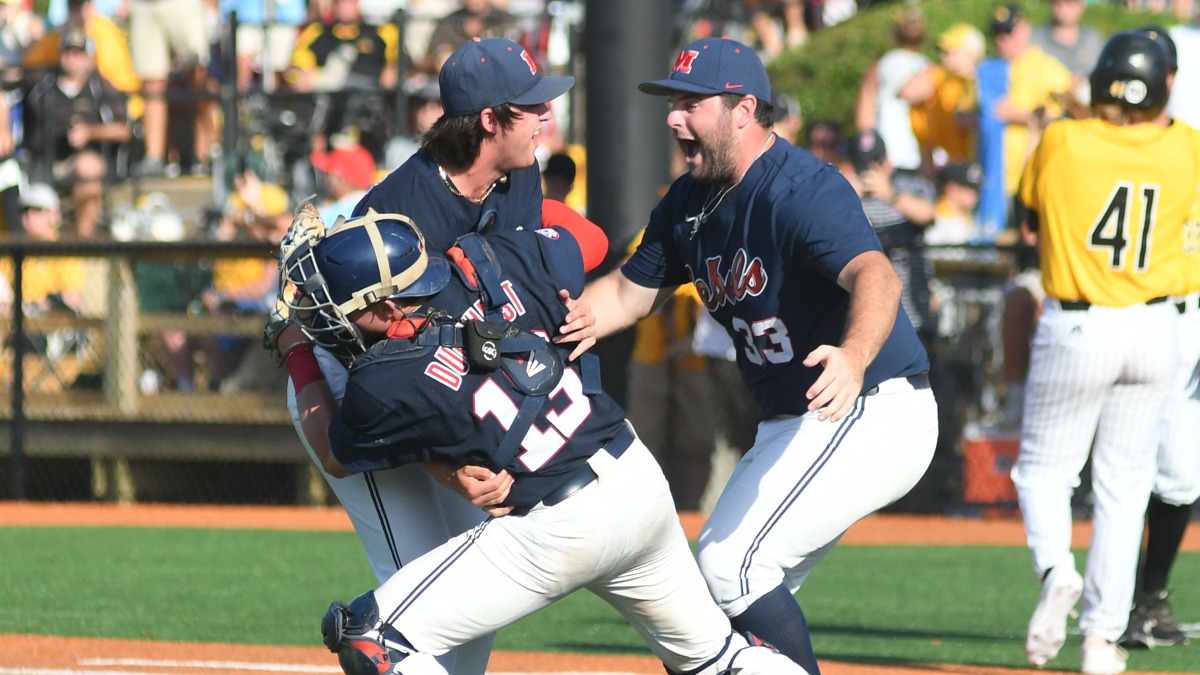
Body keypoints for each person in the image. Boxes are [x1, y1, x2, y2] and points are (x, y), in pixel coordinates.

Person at [275, 210, 807, 675]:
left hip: (561, 525)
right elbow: (586, 236)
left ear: (390, 309)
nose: (328, 316)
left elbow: (333, 453)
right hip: (635, 476)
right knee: (716, 659)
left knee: (370, 638)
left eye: (339, 304)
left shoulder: (381, 381)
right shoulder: (495, 258)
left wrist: (294, 344)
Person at [558, 36, 938, 675]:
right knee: (718, 592)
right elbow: (628, 292)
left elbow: (876, 275)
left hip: (872, 406)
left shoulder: (800, 188)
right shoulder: (689, 200)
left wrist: (852, 353)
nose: (674, 117)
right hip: (796, 419)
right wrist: (552, 328)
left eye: (691, 102)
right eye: (671, 102)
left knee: (731, 566)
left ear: (743, 110)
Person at [261, 36, 588, 675]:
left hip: (438, 380)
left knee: (475, 588)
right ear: (490, 122)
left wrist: (578, 307)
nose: (546, 117)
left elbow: (515, 288)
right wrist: (451, 469)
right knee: (413, 593)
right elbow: (381, 392)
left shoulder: (520, 172)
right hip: (351, 389)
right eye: (530, 108)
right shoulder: (398, 212)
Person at [1009, 31, 1197, 675]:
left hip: (1079, 324)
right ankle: (1100, 641)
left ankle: (1057, 570)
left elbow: (1028, 214)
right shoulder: (1185, 147)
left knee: (1042, 472)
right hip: (1155, 329)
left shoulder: (1064, 139)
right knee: (1125, 490)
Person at [1119, 25, 1196, 651]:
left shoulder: (1188, 148)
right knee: (1129, 468)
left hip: (1182, 314)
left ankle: (1147, 599)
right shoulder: (1096, 145)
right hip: (1148, 315)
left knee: (1180, 473)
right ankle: (1113, 603)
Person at [21, 24, 132, 238]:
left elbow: (124, 129)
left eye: (79, 52)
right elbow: (6, 86)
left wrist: (90, 132)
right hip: (41, 165)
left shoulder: (101, 87)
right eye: (68, 50)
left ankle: (81, 247)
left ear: (90, 57)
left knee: (88, 169)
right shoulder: (41, 82)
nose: (72, 57)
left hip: (88, 164)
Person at [976, 3, 1072, 239]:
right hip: (991, 178)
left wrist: (1016, 114)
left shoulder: (1047, 68)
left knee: (1024, 247)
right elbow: (962, 114)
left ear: (1025, 29)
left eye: (1009, 32)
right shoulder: (988, 69)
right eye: (997, 34)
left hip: (1027, 177)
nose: (1002, 40)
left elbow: (1063, 119)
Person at [842, 129, 937, 344]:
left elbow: (928, 214)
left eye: (873, 165)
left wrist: (891, 195)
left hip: (911, 314)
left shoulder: (910, 186)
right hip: (862, 317)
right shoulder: (842, 191)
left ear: (886, 163)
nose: (867, 173)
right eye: (861, 165)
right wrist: (845, 194)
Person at [128, 0, 211, 177]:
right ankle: (154, 158)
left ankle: (206, 152)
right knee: (152, 82)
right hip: (144, 6)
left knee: (198, 73)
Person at [901, 22, 985, 176]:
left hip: (979, 164)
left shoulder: (984, 81)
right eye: (942, 51)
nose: (943, 56)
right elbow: (907, 93)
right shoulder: (940, 76)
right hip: (952, 167)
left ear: (971, 54)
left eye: (950, 51)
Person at [853, 8, 927, 173]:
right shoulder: (928, 68)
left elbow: (864, 120)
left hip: (886, 153)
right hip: (919, 155)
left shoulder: (879, 66)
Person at [1029, 0, 1104, 100]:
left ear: (1081, 6)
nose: (1063, 8)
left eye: (1070, 3)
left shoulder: (1093, 40)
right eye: (1058, 2)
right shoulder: (1034, 40)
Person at [311, 142, 378, 223]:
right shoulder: (374, 206)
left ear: (340, 179)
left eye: (328, 173)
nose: (325, 178)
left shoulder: (332, 214)